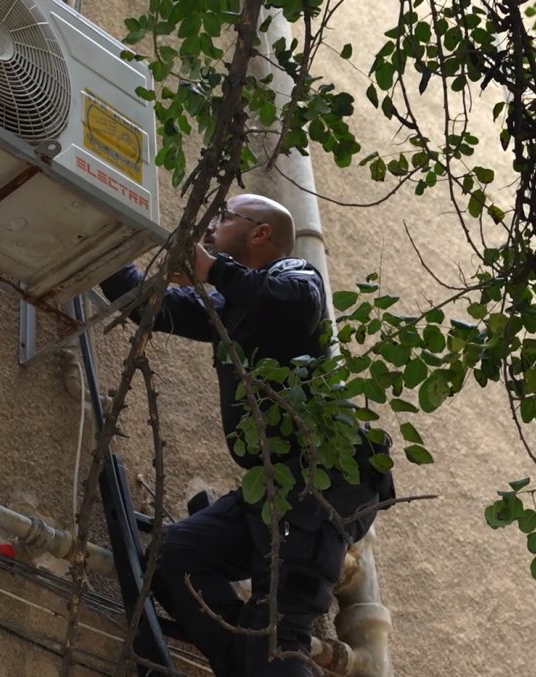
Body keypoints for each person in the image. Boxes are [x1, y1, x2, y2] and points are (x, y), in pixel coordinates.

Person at [101, 194, 393, 676]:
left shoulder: (295, 276)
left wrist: (210, 270)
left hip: (320, 485)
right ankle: (248, 662)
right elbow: (143, 302)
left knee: (280, 633)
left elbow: (292, 302)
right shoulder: (230, 308)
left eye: (225, 217)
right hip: (276, 487)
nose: (213, 226)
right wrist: (100, 220)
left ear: (260, 233)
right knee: (177, 557)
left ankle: (266, 658)